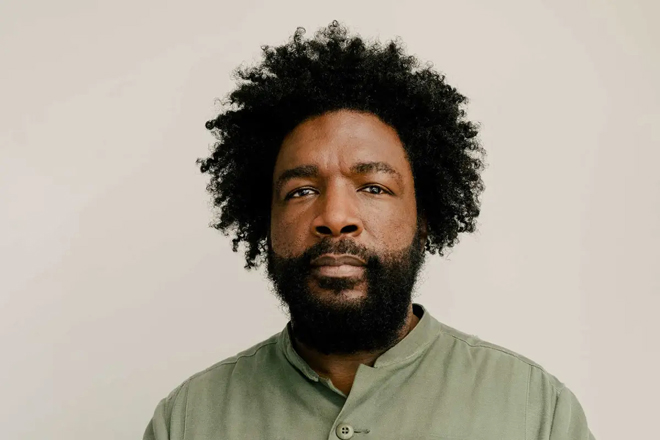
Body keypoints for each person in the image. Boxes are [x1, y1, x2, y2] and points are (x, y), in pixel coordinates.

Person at [143, 21, 594, 440]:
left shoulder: (536, 411)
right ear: (266, 224)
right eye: (301, 191)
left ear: (424, 220)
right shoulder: (185, 421)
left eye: (374, 187)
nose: (335, 216)